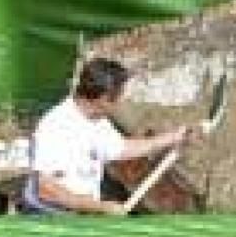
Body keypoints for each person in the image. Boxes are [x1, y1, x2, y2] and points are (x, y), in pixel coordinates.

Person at [22, 58, 193, 215]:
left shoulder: (97, 120)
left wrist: (174, 137)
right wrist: (101, 207)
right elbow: (46, 190)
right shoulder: (56, 127)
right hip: (50, 218)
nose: (120, 102)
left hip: (78, 212)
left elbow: (121, 148)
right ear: (103, 99)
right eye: (118, 97)